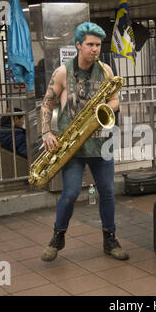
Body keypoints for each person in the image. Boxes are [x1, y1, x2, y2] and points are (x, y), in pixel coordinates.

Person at [39, 22, 128, 262]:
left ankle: (110, 239)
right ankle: (58, 235)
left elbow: (115, 100)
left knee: (107, 192)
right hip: (73, 147)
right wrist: (47, 132)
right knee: (69, 194)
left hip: (101, 143)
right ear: (78, 45)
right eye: (90, 44)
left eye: (98, 45)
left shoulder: (106, 70)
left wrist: (105, 108)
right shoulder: (62, 72)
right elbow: (47, 103)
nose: (95, 49)